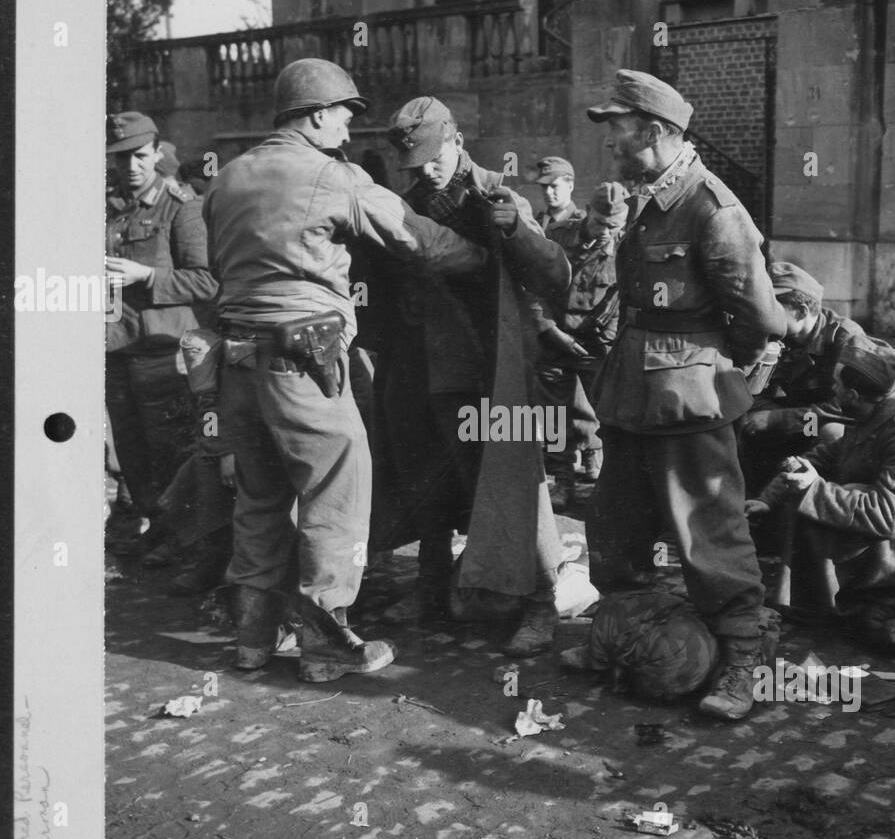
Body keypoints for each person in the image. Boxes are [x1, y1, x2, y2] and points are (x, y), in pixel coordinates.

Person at [202, 60, 491, 681]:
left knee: (260, 496)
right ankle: (327, 639)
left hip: (237, 362)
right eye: (343, 113)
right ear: (313, 115)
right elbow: (420, 238)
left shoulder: (227, 178)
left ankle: (253, 638)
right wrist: (485, 258)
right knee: (338, 485)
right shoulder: (332, 176)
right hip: (301, 362)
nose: (349, 126)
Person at [584, 69, 788, 720]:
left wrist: (720, 377)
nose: (608, 139)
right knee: (615, 526)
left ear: (653, 130)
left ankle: (742, 662)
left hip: (689, 395)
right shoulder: (646, 197)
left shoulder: (712, 208)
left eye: (615, 125)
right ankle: (630, 634)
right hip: (628, 393)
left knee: (710, 534)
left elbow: (755, 318)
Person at [373, 96, 572, 656]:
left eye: (435, 157)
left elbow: (557, 275)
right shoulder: (407, 202)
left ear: (457, 140)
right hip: (433, 366)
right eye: (416, 164)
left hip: (496, 368)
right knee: (430, 476)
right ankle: (433, 584)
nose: (427, 170)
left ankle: (540, 603)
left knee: (513, 482)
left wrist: (516, 233)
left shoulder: (496, 194)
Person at [748, 339, 895, 658]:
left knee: (826, 502)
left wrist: (813, 489)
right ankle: (822, 605)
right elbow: (825, 456)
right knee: (816, 495)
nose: (834, 392)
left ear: (853, 395)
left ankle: (848, 609)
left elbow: (888, 516)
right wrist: (768, 499)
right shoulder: (874, 418)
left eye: (837, 386)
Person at [105, 112, 218, 551]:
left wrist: (146, 276)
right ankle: (158, 530)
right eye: (119, 158)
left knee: (171, 450)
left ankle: (188, 544)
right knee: (131, 452)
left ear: (155, 153)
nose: (129, 166)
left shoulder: (182, 206)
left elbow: (208, 281)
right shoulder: (108, 208)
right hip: (117, 349)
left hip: (162, 352)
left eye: (137, 156)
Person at [532, 181, 628, 505]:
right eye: (601, 223)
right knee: (554, 418)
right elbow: (533, 288)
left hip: (597, 345)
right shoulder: (558, 237)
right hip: (555, 341)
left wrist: (609, 338)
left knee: (608, 414)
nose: (606, 232)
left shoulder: (625, 246)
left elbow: (625, 298)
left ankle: (602, 476)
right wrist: (548, 329)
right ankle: (562, 481)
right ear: (588, 212)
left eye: (615, 226)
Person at [738, 261, 867, 493]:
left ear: (802, 311)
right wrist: (760, 415)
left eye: (773, 310)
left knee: (832, 433)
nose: (765, 316)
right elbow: (756, 390)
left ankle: (821, 504)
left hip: (825, 422)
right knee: (744, 423)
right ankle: (754, 503)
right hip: (796, 416)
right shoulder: (775, 336)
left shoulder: (845, 339)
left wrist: (777, 419)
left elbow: (845, 407)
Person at [533, 156, 585, 246]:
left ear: (570, 186)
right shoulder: (536, 222)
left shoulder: (581, 224)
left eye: (554, 186)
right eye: (544, 186)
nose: (548, 192)